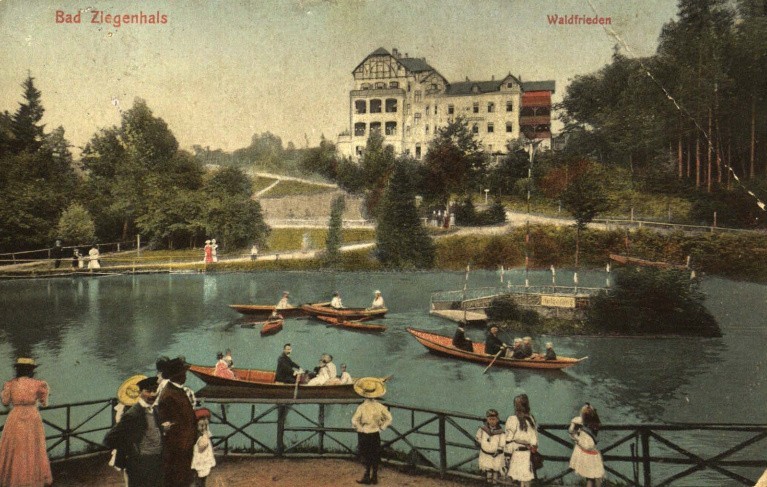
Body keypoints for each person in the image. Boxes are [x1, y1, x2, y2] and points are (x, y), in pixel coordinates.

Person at [0, 357, 52, 487]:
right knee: (32, 447)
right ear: (31, 370)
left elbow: (5, 403)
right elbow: (44, 403)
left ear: (17, 370)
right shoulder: (39, 384)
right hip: (32, 417)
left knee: (15, 448)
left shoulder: (10, 384)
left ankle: (14, 479)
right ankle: (31, 480)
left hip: (15, 416)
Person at [103, 376, 163, 487]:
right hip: (140, 464)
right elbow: (109, 439)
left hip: (156, 461)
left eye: (155, 390)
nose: (152, 394)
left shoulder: (155, 409)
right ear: (140, 393)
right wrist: (131, 452)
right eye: (148, 391)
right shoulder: (133, 413)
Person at [156, 357, 197, 487]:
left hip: (184, 444)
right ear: (178, 376)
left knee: (183, 478)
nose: (185, 376)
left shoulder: (176, 390)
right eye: (184, 373)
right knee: (177, 479)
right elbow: (165, 423)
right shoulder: (169, 394)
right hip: (178, 447)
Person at [352, 377, 392, 485]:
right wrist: (382, 427)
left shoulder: (361, 407)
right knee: (375, 455)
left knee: (366, 454)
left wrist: (360, 428)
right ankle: (374, 477)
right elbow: (389, 418)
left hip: (365, 433)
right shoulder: (380, 406)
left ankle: (366, 476)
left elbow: (354, 420)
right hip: (375, 433)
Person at [504, 394, 538, 487]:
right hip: (527, 452)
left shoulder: (512, 419)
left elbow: (508, 438)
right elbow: (534, 438)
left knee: (517, 477)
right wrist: (532, 446)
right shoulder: (531, 419)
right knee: (526, 479)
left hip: (516, 452)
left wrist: (507, 453)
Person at [569, 403, 604, 487]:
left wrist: (573, 426)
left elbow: (570, 431)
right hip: (593, 455)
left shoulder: (581, 423)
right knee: (598, 477)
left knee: (590, 478)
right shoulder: (595, 425)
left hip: (585, 454)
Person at [475, 409, 505, 484]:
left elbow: (502, 443)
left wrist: (499, 450)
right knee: (488, 470)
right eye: (490, 419)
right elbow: (478, 437)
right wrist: (480, 443)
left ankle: (494, 484)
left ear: (497, 420)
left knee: (495, 470)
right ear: (487, 419)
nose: (492, 421)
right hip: (485, 454)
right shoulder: (482, 429)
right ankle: (488, 483)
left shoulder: (500, 432)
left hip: (496, 455)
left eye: (494, 419)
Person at [191, 408, 216, 487]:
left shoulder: (204, 434)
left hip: (204, 460)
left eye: (205, 425)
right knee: (198, 479)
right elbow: (202, 446)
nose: (203, 427)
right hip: (199, 460)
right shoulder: (198, 435)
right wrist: (205, 435)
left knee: (202, 479)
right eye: (201, 425)